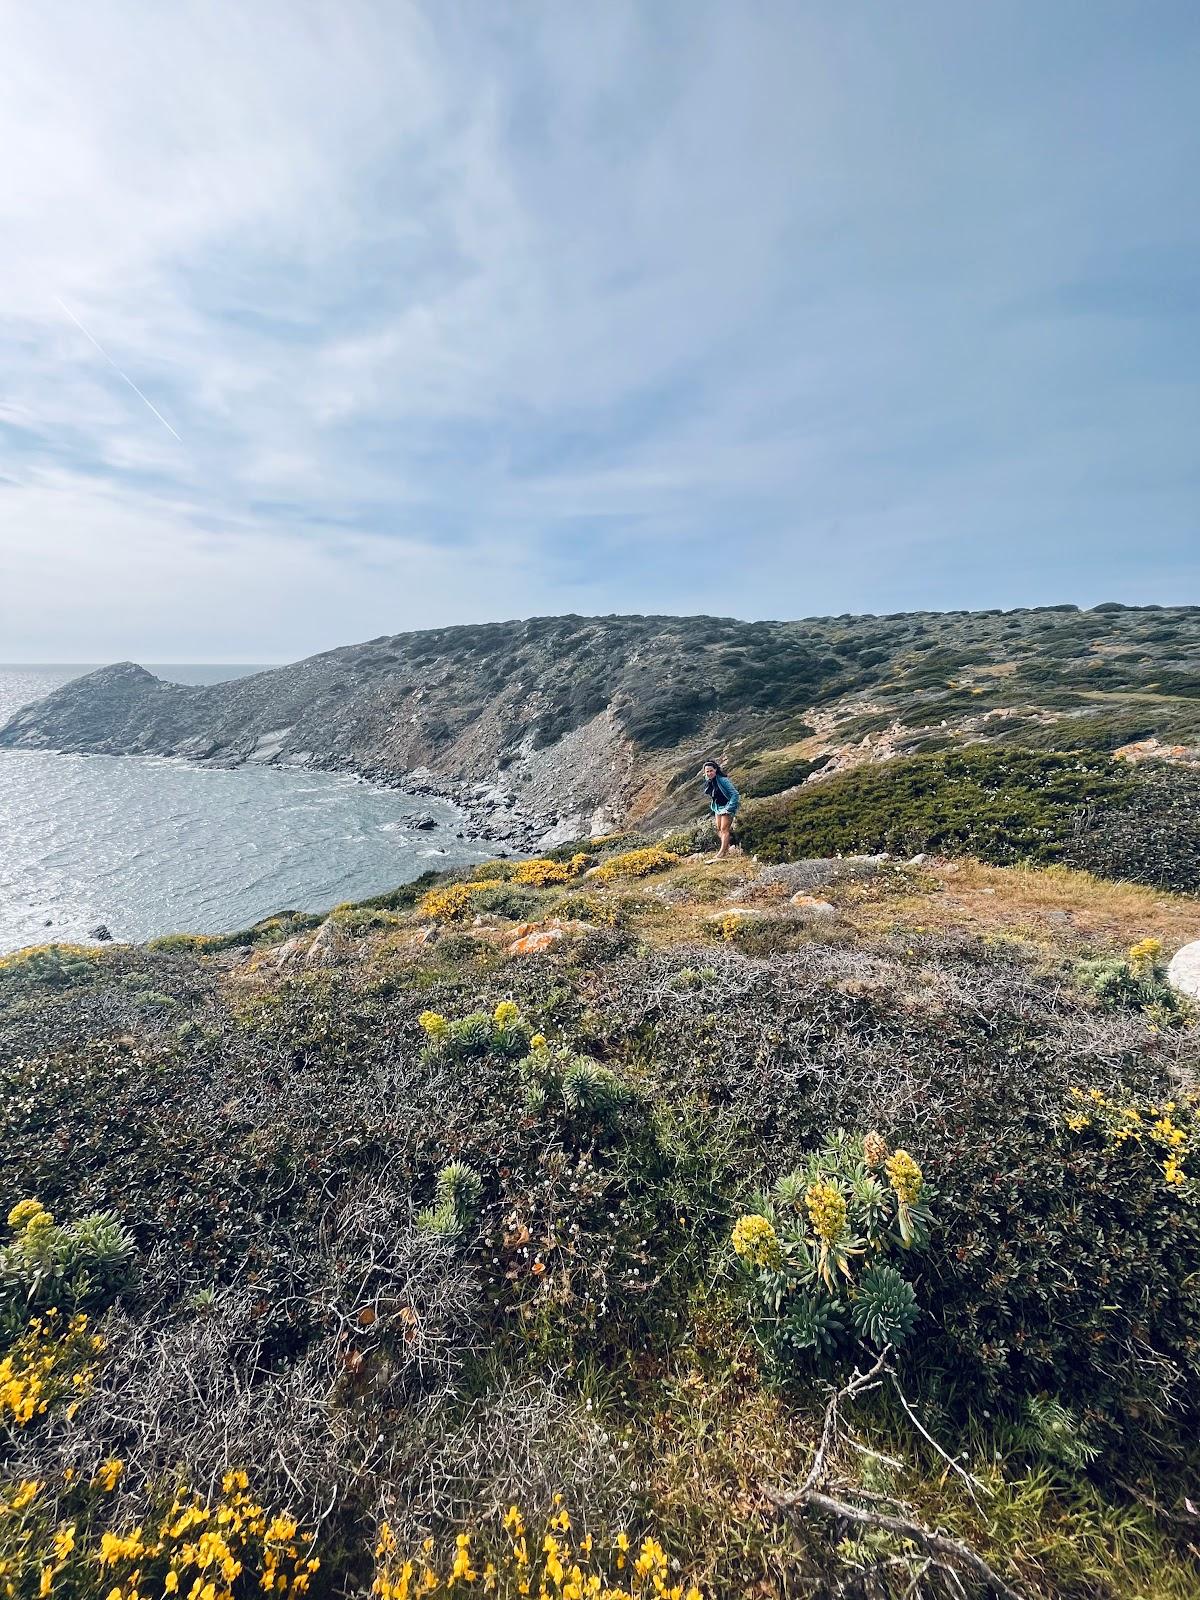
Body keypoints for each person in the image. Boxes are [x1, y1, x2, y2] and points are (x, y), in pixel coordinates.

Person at [701, 759, 740, 860]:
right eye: (707, 771)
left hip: (727, 806)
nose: (709, 773)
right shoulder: (708, 779)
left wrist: (729, 808)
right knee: (719, 829)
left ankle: (722, 853)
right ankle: (727, 847)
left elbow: (735, 794)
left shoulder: (723, 780)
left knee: (724, 829)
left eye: (711, 771)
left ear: (716, 770)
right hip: (718, 807)